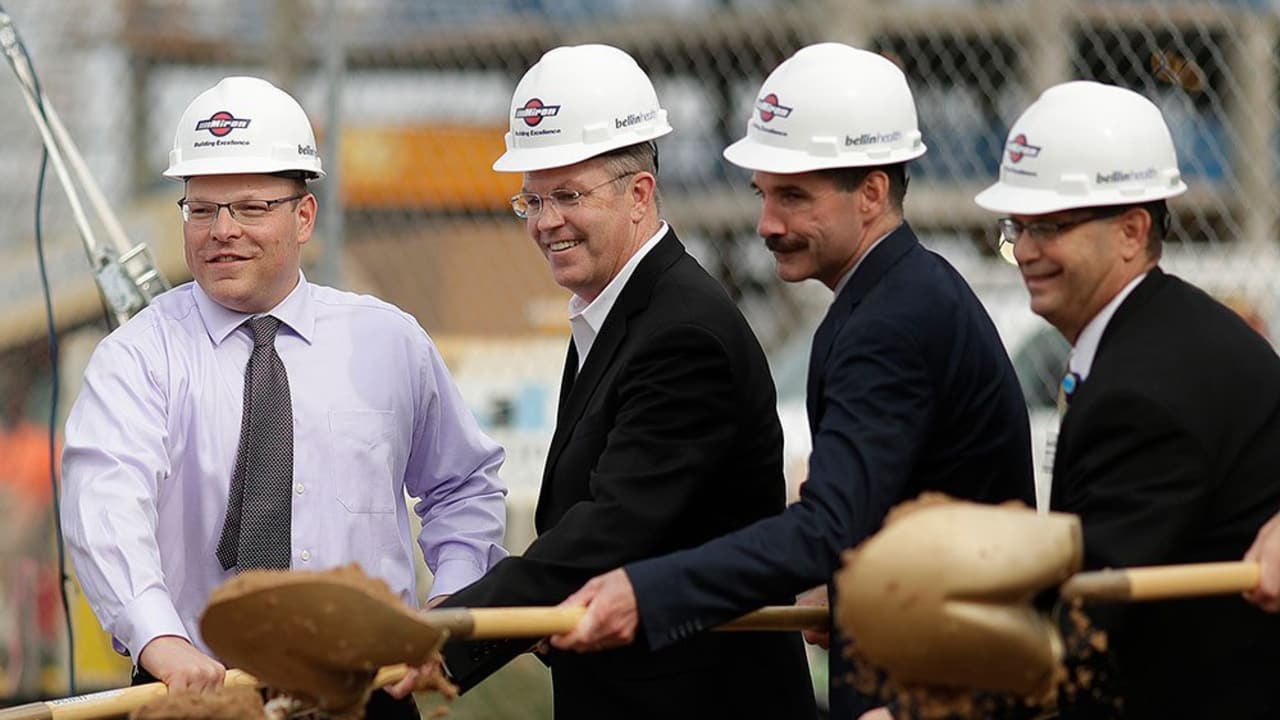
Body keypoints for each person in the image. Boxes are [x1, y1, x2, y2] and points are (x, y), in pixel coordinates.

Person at [550, 43, 1035, 719]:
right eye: (764, 194)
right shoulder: (898, 296)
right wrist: (836, 584)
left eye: (794, 197)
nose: (766, 225)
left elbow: (829, 524)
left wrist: (648, 590)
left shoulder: (887, 322)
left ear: (870, 192)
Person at [60, 76, 507, 719]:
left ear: (304, 216)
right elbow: (104, 504)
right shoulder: (138, 357)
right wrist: (160, 641)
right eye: (203, 208)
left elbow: (463, 486)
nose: (222, 231)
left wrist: (448, 611)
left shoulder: (387, 342)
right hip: (199, 694)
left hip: (364, 690)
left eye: (249, 207)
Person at [408, 45, 816, 719]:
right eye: (532, 199)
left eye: (568, 195)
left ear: (640, 194)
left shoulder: (685, 335)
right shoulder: (626, 313)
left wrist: (446, 638)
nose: (545, 222)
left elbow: (608, 531)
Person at [973, 80, 1280, 717]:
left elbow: (1081, 618)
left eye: (1050, 227)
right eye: (1016, 228)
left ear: (1132, 231)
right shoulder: (1164, 336)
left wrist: (918, 702)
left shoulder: (1144, 390)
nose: (1025, 251)